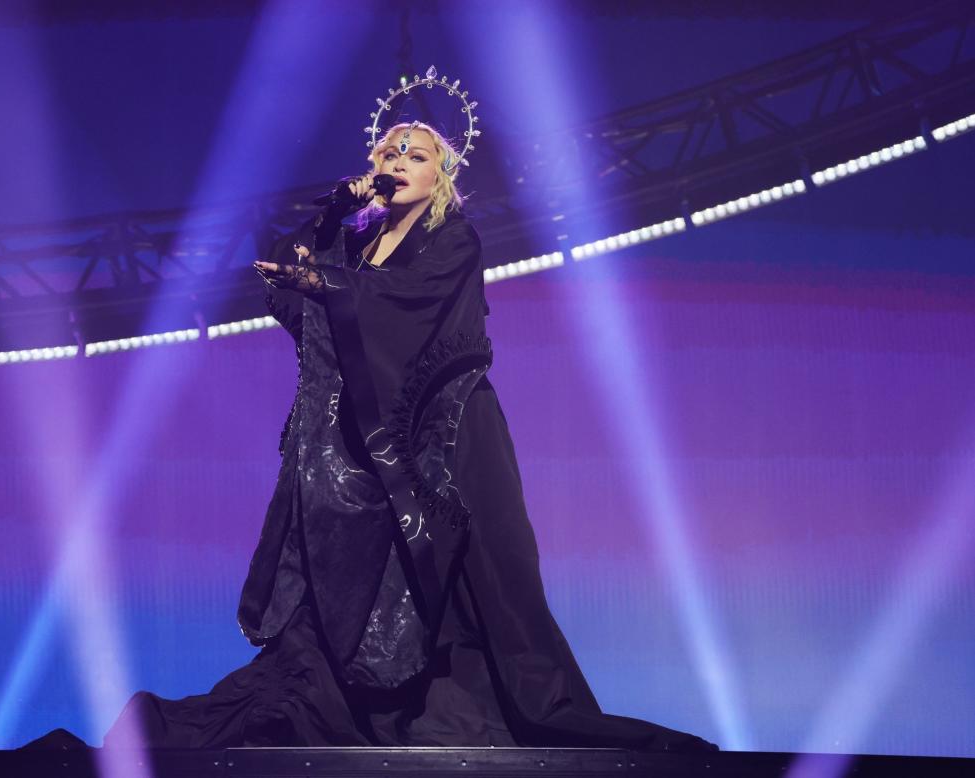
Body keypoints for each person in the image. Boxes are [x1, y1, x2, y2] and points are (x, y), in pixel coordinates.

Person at [103, 121, 715, 752]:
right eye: (389, 152)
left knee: (475, 579)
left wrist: (327, 283)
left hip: (449, 435)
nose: (399, 161)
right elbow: (292, 277)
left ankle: (505, 712)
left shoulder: (454, 239)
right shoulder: (357, 247)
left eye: (415, 155)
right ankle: (379, 710)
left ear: (439, 176)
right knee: (367, 581)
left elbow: (403, 302)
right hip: (371, 448)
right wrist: (339, 211)